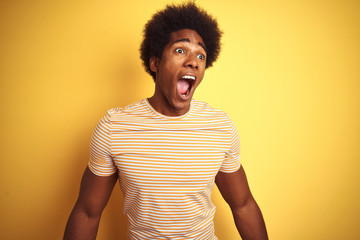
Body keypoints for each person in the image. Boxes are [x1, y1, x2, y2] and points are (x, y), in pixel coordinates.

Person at [64, 2, 268, 240]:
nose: (193, 61)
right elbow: (87, 213)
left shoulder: (219, 126)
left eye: (200, 55)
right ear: (155, 63)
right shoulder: (114, 127)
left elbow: (243, 205)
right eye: (180, 50)